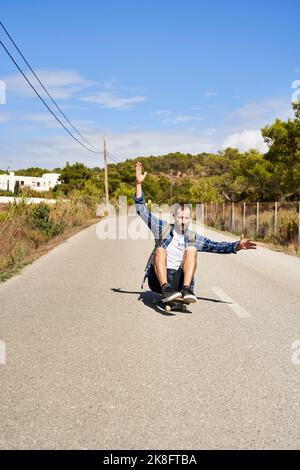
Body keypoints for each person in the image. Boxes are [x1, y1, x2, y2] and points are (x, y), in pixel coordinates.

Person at [134, 161, 257, 304]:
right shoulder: (162, 228)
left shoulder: (192, 237)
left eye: (186, 218)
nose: (183, 221)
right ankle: (166, 288)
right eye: (180, 217)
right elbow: (141, 210)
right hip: (158, 280)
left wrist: (237, 246)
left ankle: (186, 289)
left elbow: (216, 246)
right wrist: (138, 184)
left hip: (179, 281)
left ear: (190, 219)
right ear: (174, 216)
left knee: (192, 249)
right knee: (160, 250)